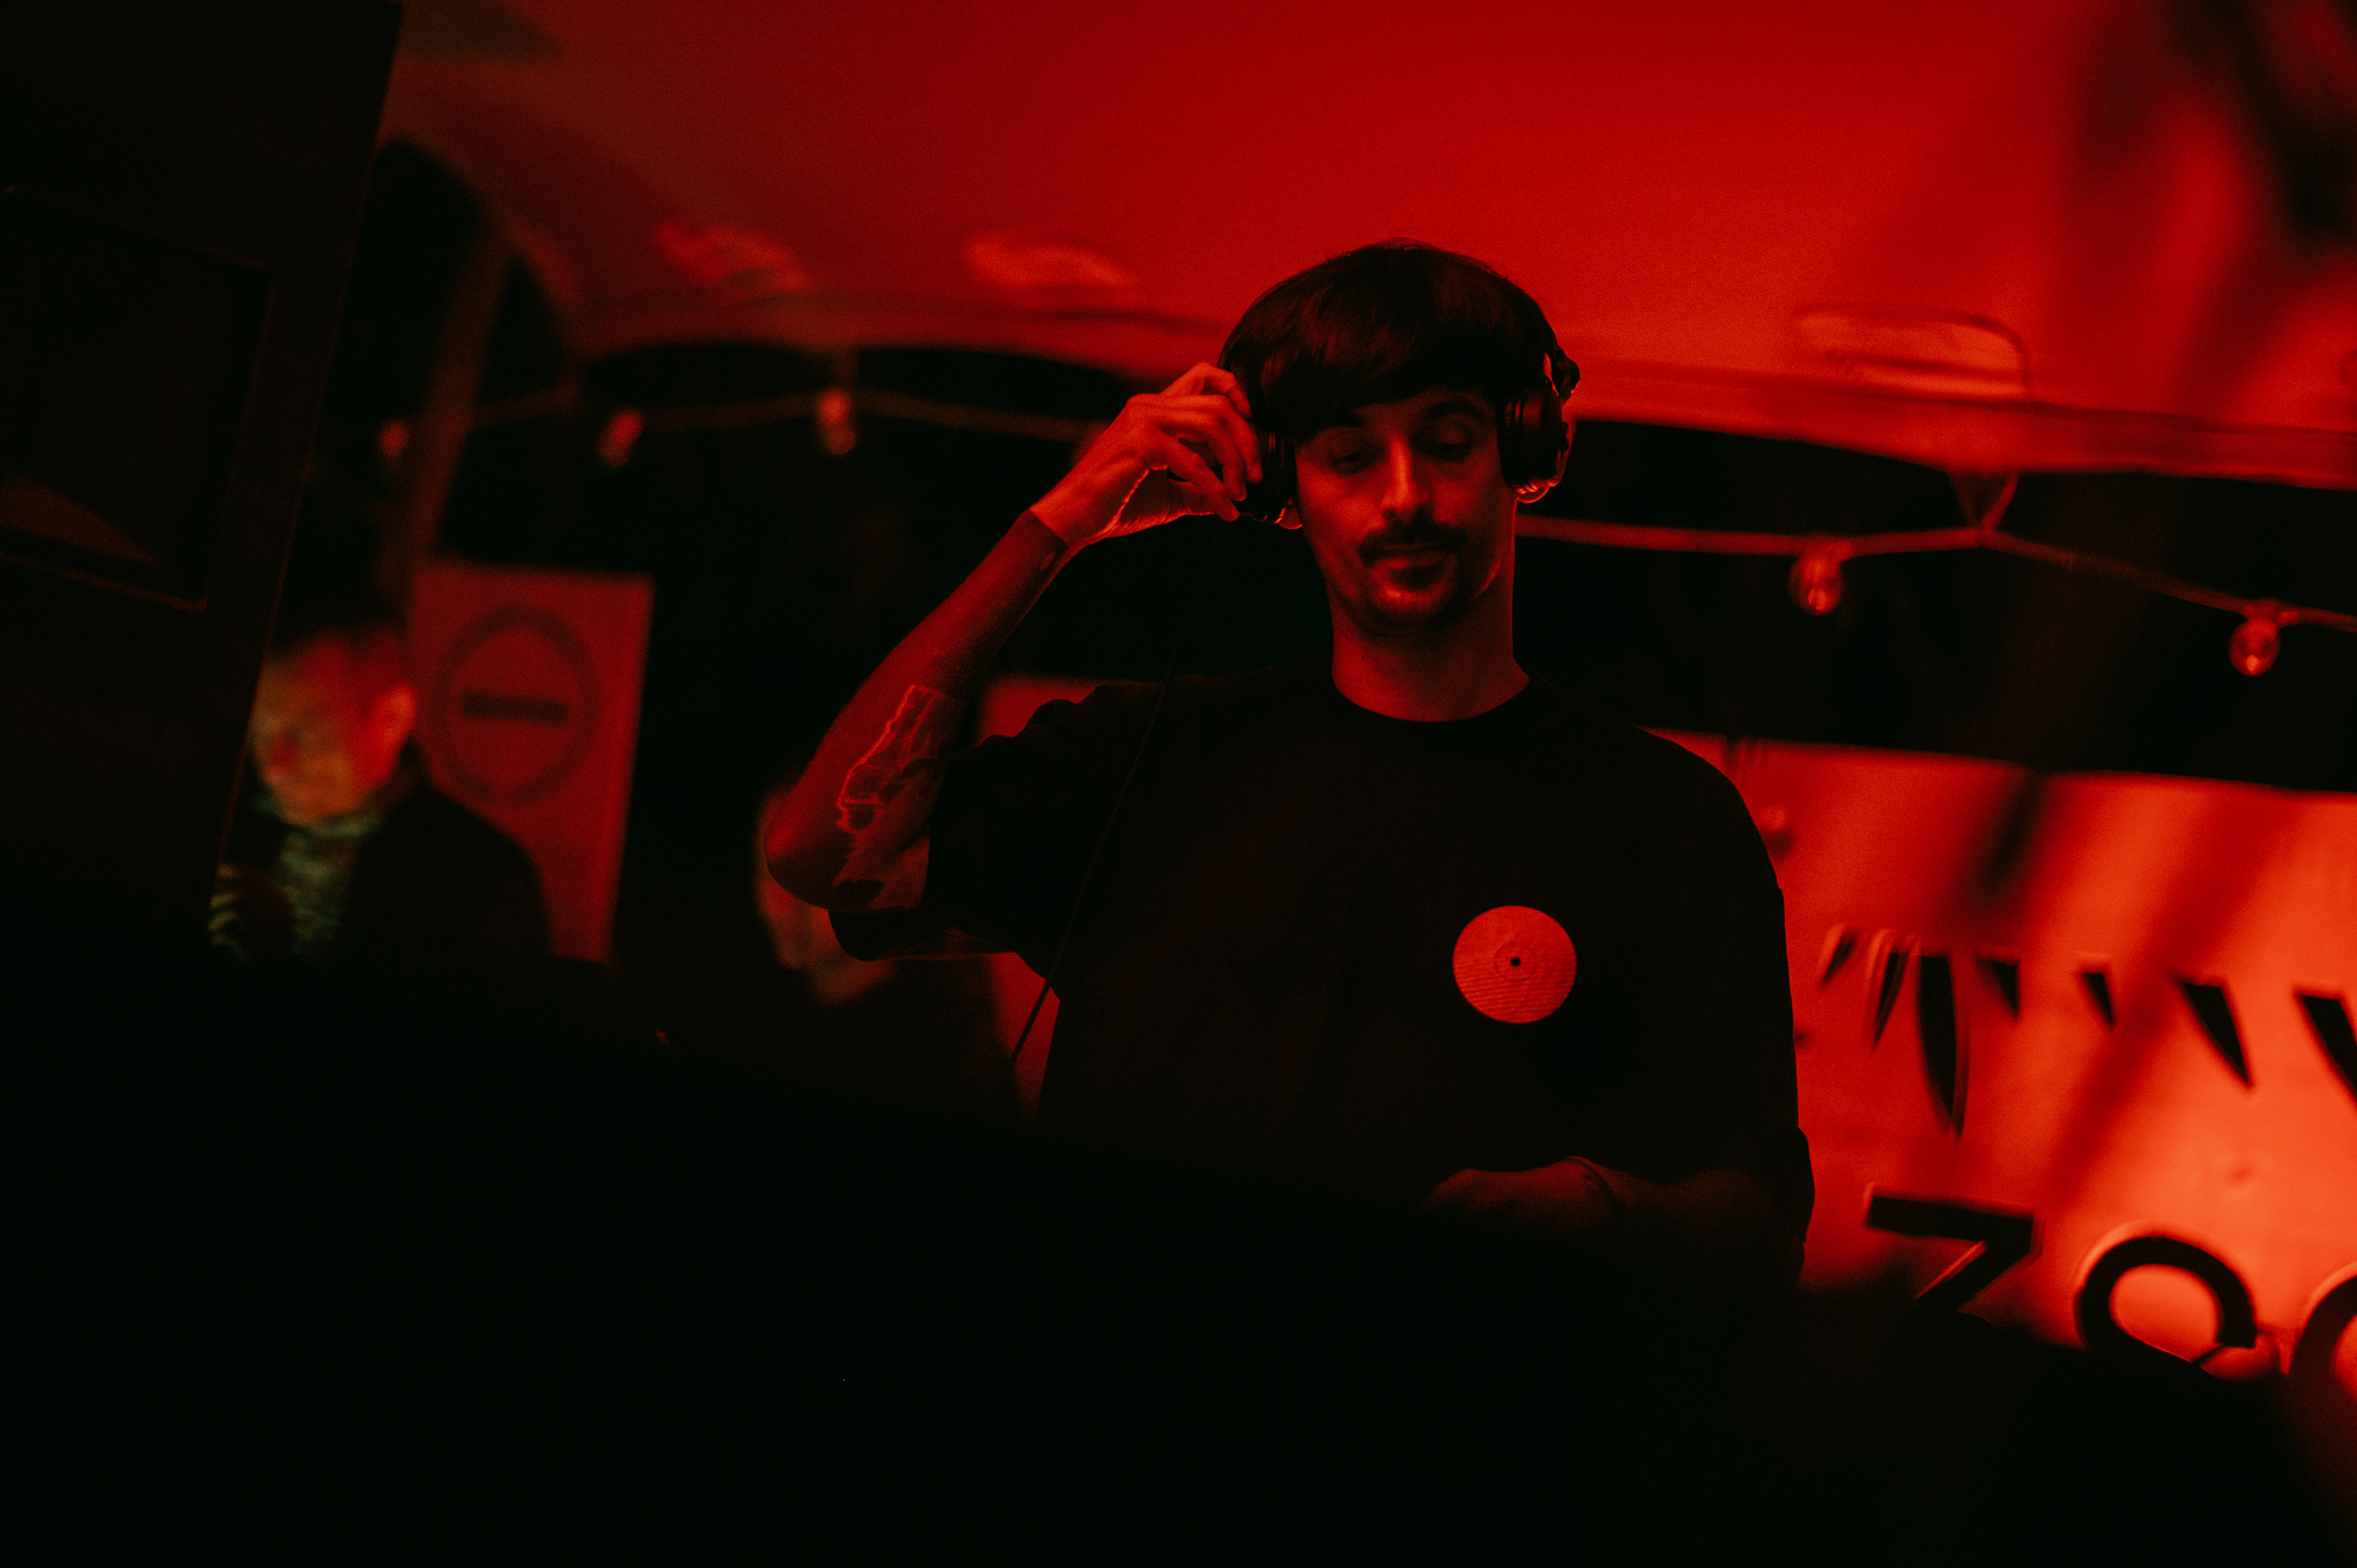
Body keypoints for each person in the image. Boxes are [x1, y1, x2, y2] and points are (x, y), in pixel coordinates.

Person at [765, 241, 1809, 1288]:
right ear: (1281, 483)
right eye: (1349, 456)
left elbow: (1761, 1213)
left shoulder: (1670, 820)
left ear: (1525, 453)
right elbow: (822, 852)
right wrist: (1061, 522)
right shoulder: (1146, 757)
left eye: (1448, 442)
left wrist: (1609, 1206)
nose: (1404, 495)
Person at [213, 579, 549, 999]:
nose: (273, 767)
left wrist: (274, 968)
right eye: (260, 731)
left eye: (305, 732)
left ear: (393, 718)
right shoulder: (220, 822)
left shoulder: (478, 879)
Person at [648, 771, 1020, 1130]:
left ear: (876, 873)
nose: (778, 904)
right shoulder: (746, 1021)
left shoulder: (947, 1053)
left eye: (803, 877)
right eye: (765, 873)